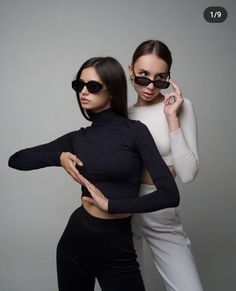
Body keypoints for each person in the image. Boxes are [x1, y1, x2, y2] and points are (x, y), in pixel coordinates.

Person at [8, 56, 180, 291]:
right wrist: (57, 157)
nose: (83, 92)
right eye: (79, 85)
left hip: (116, 247)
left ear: (112, 90)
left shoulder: (135, 132)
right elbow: (16, 160)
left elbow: (170, 194)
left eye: (93, 86)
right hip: (75, 242)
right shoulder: (78, 138)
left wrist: (111, 205)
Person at [128, 40, 203, 291]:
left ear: (169, 78)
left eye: (160, 79)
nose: (150, 86)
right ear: (131, 70)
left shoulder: (181, 107)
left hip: (159, 207)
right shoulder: (122, 114)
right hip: (123, 208)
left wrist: (172, 117)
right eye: (143, 76)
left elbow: (188, 174)